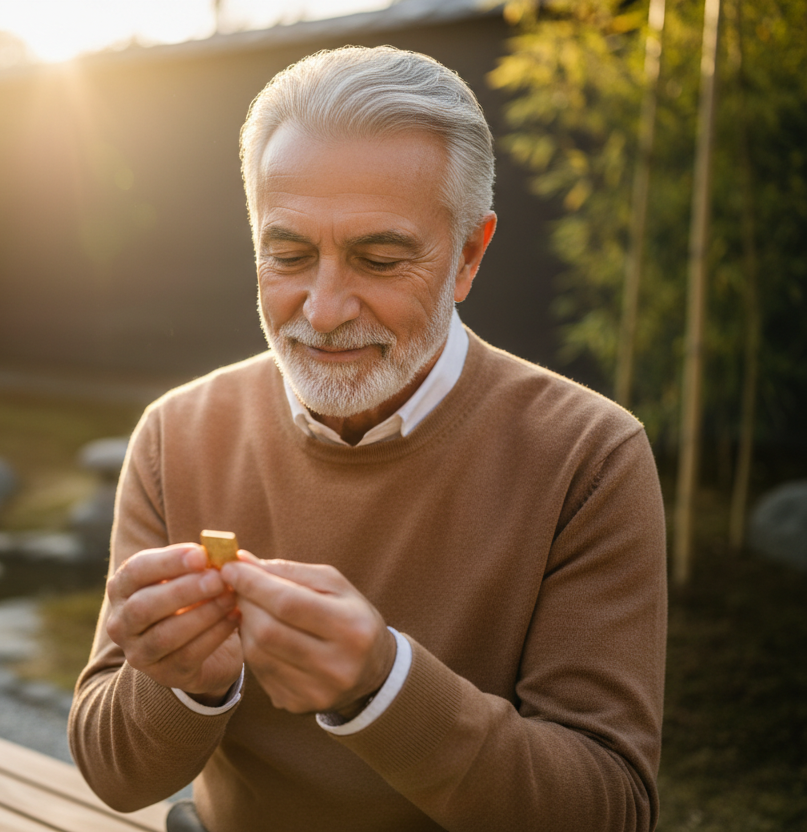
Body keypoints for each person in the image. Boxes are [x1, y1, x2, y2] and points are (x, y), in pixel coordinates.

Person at [67, 45, 667, 832]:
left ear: (469, 257)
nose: (320, 310)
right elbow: (114, 779)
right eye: (286, 254)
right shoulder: (177, 433)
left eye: (379, 258)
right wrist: (182, 686)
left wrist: (384, 687)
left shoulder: (589, 458)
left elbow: (610, 810)